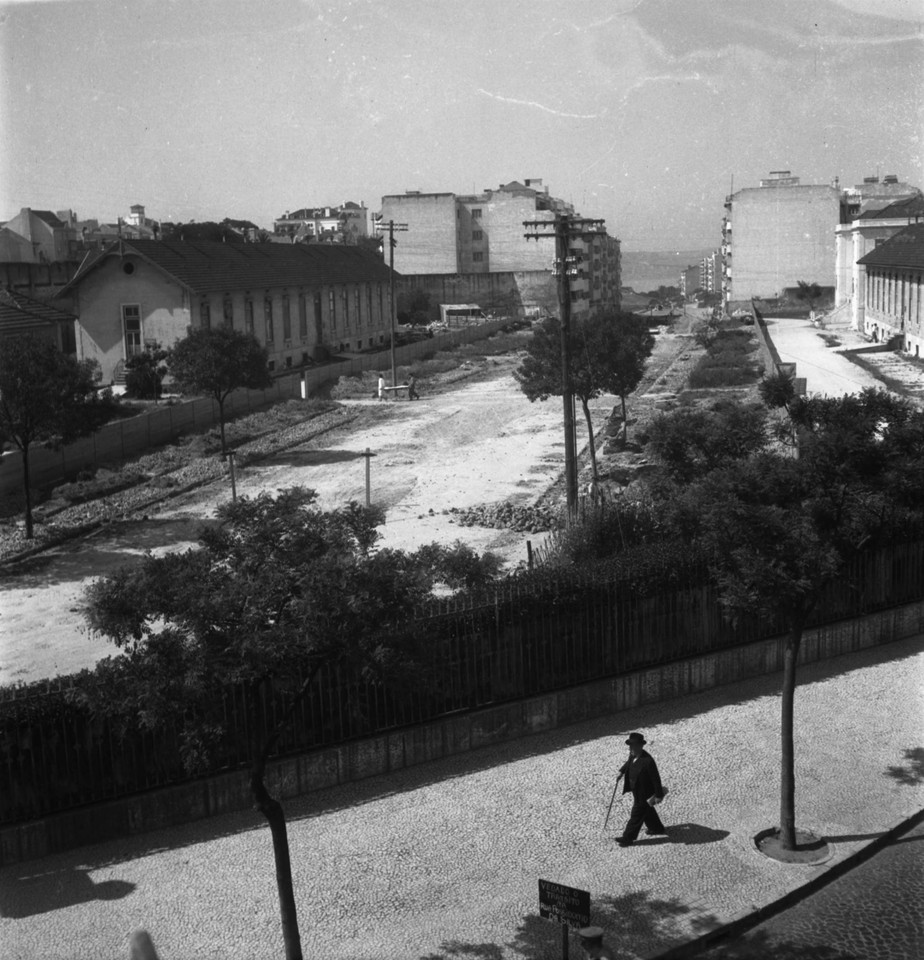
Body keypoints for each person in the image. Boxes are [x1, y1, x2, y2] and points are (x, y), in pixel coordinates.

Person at [616, 732, 666, 847]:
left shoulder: (648, 761)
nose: (630, 748)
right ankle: (657, 828)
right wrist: (621, 771)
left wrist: (658, 795)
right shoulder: (633, 754)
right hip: (636, 790)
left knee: (636, 814)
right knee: (647, 811)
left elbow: (656, 779)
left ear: (640, 746)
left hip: (645, 793)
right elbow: (628, 763)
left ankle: (627, 838)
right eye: (630, 746)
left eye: (633, 746)